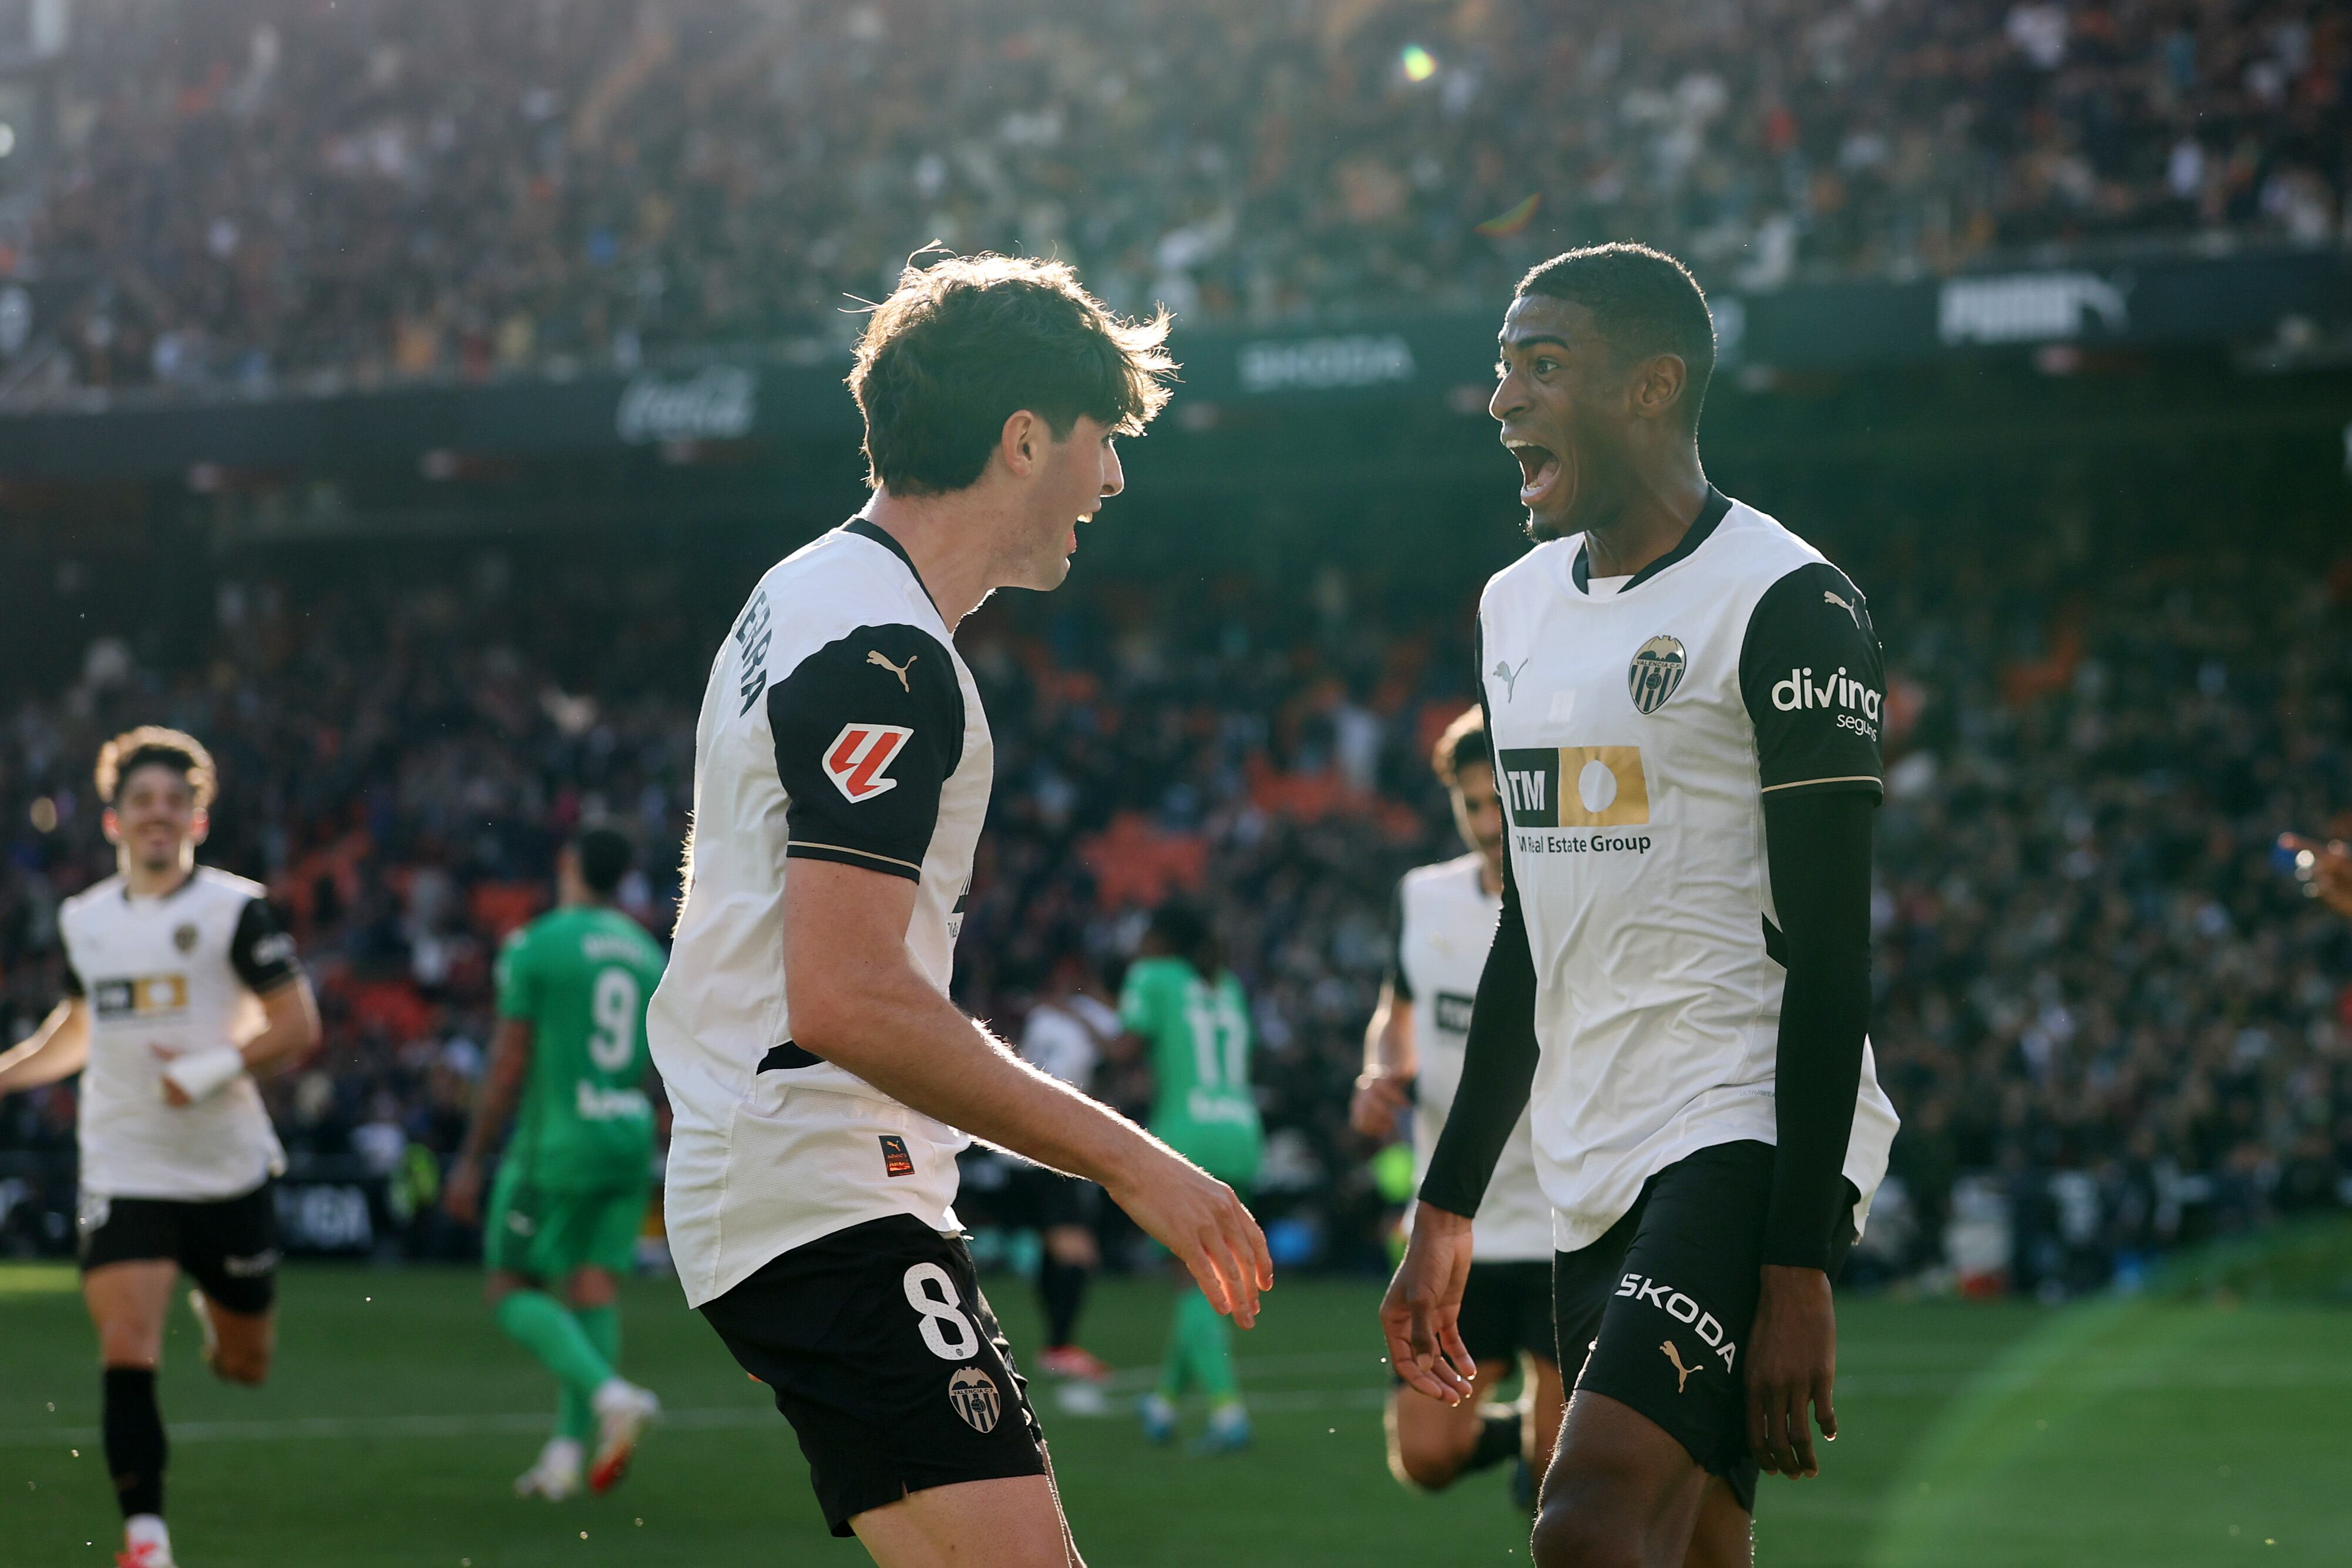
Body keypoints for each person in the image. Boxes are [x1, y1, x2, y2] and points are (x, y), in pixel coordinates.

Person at [647, 253, 1271, 1568]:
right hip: (821, 1188)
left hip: (780, 1172)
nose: (1111, 483)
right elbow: (846, 995)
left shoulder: (802, 590)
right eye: (1103, 444)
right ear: (1024, 437)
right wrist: (1130, 1159)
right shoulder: (886, 655)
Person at [1380, 243, 1901, 1568]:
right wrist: (1443, 1211)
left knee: (1587, 1512)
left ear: (1655, 385)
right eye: (1499, 368)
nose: (1501, 400)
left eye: (1541, 366)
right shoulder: (1512, 610)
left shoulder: (1789, 603)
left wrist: (1794, 1261)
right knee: (1693, 1544)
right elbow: (1528, 934)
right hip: (1587, 1148)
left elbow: (1836, 951)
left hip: (1743, 1125)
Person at [0, 728, 321, 1568]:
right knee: (126, 1346)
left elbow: (298, 1023)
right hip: (124, 1161)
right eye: (141, 801)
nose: (158, 813)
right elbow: (77, 1029)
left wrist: (215, 1064)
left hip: (226, 1166)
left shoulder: (235, 908)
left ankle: (217, 1316)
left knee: (245, 1365)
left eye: (174, 801)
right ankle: (147, 1541)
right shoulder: (85, 920)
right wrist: (8, 1072)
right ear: (113, 821)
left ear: (197, 820)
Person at [1354, 706, 1563, 1501]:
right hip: (1453, 1224)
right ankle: (1519, 1433)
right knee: (1427, 1457)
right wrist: (1380, 1074)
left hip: (1561, 1222)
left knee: (1563, 1485)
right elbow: (1394, 1015)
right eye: (1471, 804)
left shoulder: (1573, 905)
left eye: (1500, 804)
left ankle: (1545, 1445)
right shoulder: (1424, 896)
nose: (1485, 822)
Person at [442, 826, 668, 1500]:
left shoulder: (537, 944)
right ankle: (566, 1455)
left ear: (569, 865)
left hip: (554, 1145)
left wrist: (471, 1158)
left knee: (510, 1287)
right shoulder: (645, 955)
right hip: (625, 1136)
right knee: (593, 1287)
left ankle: (608, 1395)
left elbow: (510, 1058)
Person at [1120, 903, 1262, 1455]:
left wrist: (1076, 1013)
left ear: (1161, 939)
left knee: (1193, 1281)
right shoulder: (1227, 985)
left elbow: (1125, 1046)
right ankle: (1162, 1404)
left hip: (1187, 1138)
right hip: (1241, 1136)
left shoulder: (1154, 976)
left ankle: (1229, 1415)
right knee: (1207, 1278)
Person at [1013, 957, 1123, 1385]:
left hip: (1019, 1139)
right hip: (1054, 1142)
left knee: (1053, 1245)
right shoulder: (1096, 1017)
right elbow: (1116, 1051)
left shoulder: (1041, 1014)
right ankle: (1060, 1346)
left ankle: (1055, 1345)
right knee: (1078, 1254)